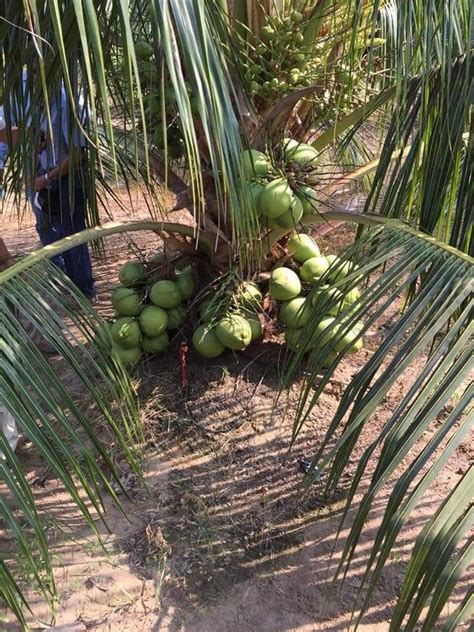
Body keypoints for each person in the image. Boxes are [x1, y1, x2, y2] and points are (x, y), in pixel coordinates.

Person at [1, 75, 96, 299]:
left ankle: (83, 290)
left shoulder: (67, 103)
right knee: (45, 227)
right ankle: (59, 280)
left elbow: (77, 154)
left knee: (71, 233)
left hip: (65, 178)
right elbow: (5, 134)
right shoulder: (22, 88)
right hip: (39, 177)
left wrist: (47, 179)